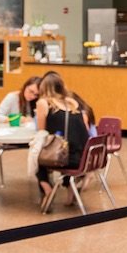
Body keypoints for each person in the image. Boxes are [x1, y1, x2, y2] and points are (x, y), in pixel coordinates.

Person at [34, 71, 90, 201]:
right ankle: (70, 188)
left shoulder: (43, 103)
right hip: (83, 159)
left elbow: (42, 132)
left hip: (62, 159)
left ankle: (46, 188)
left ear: (43, 87)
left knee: (36, 155)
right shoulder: (72, 102)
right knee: (69, 143)